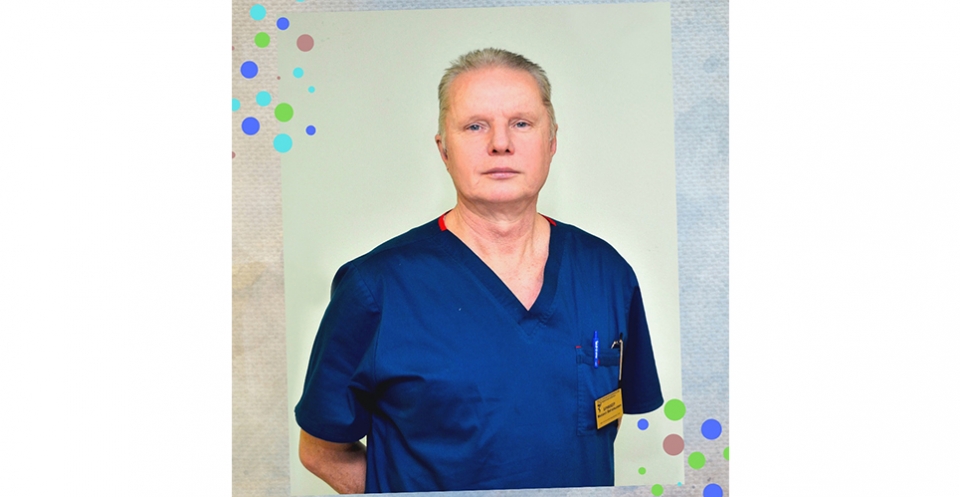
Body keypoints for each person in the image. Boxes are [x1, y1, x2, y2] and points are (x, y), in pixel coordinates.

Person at [295, 47, 663, 493]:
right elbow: (321, 451)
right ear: (444, 149)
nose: (500, 143)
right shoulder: (376, 289)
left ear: (551, 142)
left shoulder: (607, 273)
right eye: (475, 126)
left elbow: (601, 422)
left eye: (521, 123)